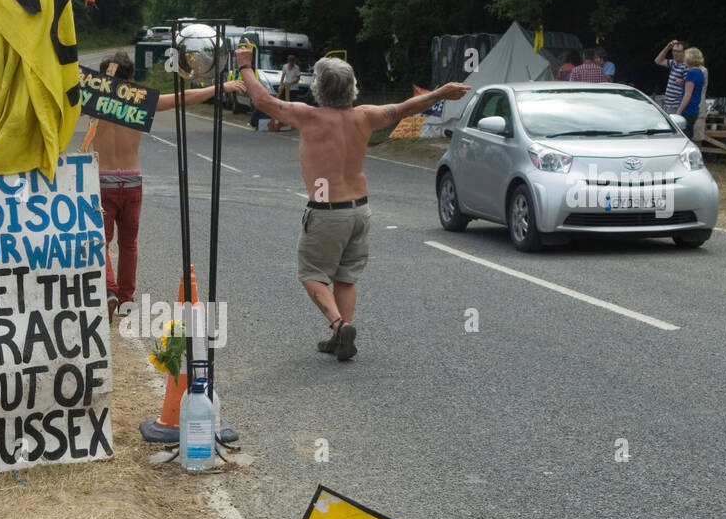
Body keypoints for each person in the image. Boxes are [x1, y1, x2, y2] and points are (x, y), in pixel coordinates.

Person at [235, 45, 466, 359]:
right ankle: (341, 335)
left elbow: (262, 101)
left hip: (327, 212)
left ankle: (338, 324)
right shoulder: (366, 116)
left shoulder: (308, 116)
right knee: (346, 277)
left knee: (311, 274)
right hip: (360, 210)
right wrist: (441, 92)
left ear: (319, 88)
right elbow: (406, 107)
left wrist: (245, 66)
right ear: (352, 88)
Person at [89, 51, 244, 318]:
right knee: (129, 243)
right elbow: (182, 99)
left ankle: (109, 290)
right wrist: (221, 86)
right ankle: (126, 299)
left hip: (102, 181)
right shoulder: (139, 101)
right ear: (131, 77)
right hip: (132, 180)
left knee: (100, 242)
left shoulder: (94, 100)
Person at [677, 47, 707, 140]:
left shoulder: (691, 73)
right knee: (689, 134)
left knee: (684, 137)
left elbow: (688, 94)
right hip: (694, 109)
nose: (683, 59)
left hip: (687, 110)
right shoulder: (700, 72)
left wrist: (679, 111)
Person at [654, 39, 688, 114]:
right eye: (673, 51)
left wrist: (682, 83)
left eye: (678, 51)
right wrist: (668, 47)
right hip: (667, 104)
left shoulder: (686, 66)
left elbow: (689, 87)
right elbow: (658, 61)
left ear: (684, 52)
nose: (675, 53)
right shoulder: (674, 63)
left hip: (676, 106)